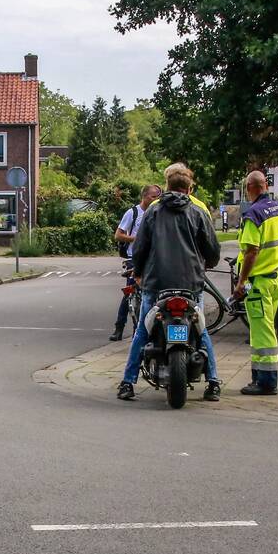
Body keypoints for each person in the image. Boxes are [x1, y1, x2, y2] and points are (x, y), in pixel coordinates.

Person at [117, 163, 222, 402]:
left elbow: (140, 246)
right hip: (191, 283)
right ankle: (213, 382)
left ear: (167, 186)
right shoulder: (198, 212)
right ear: (189, 188)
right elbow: (212, 250)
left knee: (144, 330)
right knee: (200, 329)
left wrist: (139, 272)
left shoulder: (153, 210)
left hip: (156, 282)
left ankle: (128, 382)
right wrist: (207, 263)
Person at [234, 171, 278, 396]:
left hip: (259, 282)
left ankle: (266, 381)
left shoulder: (253, 215)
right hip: (276, 277)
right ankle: (260, 376)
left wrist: (241, 281)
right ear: (265, 185)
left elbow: (251, 251)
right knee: (265, 329)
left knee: (262, 333)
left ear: (249, 188)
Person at [110, 184, 162, 341]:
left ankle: (138, 330)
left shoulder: (158, 213)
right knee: (130, 292)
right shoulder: (133, 213)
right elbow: (118, 235)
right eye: (153, 196)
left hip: (153, 258)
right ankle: (119, 327)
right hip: (134, 258)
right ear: (144, 196)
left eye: (158, 197)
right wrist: (136, 239)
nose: (156, 200)